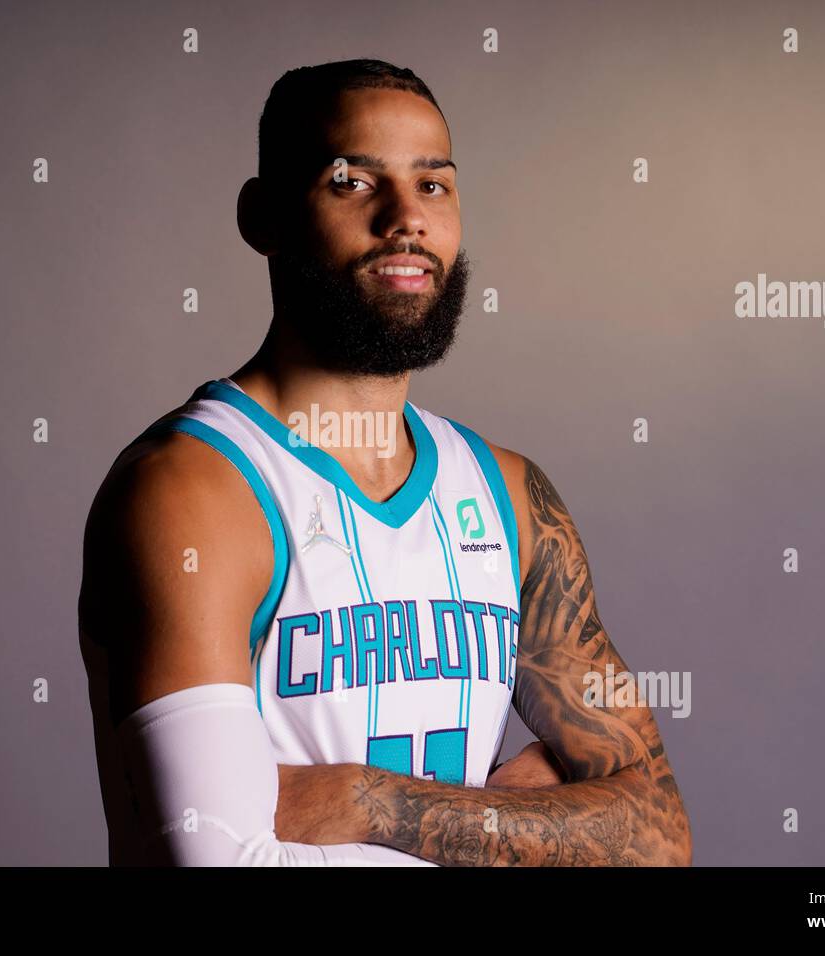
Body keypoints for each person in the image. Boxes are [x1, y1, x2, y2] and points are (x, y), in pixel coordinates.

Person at [78, 58, 691, 866]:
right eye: (352, 182)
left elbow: (657, 834)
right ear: (263, 217)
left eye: (433, 185)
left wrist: (367, 802)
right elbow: (217, 862)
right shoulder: (191, 491)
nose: (405, 218)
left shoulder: (509, 495)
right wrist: (529, 835)